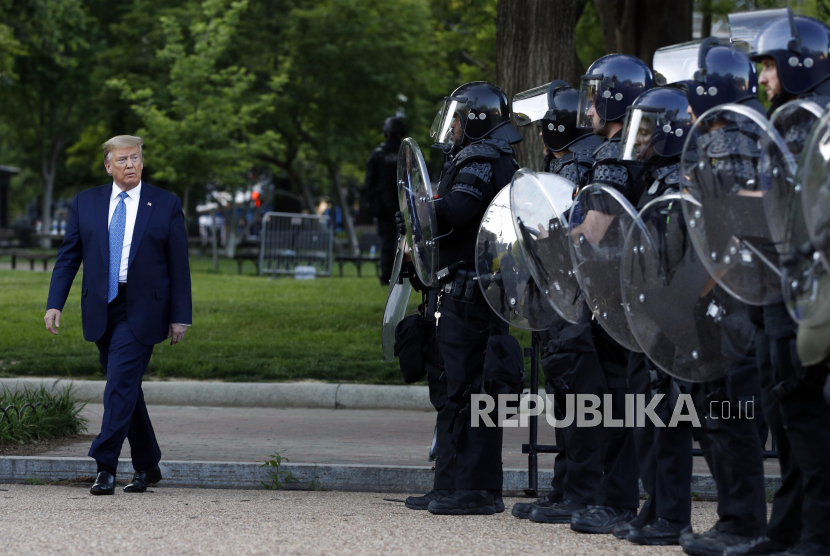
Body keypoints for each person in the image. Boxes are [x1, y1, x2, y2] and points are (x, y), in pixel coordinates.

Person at [652, 38, 770, 556]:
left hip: (728, 299)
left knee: (729, 416)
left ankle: (742, 525)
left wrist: (688, 299)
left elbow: (728, 228)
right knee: (721, 416)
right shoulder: (734, 130)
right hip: (731, 297)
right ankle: (737, 522)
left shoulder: (728, 137)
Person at [726, 12, 830, 556]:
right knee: (783, 415)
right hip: (774, 286)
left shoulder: (819, 119)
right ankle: (785, 531)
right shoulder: (790, 118)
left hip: (804, 289)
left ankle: (817, 535)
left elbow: (810, 208)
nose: (762, 77)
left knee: (804, 413)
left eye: (768, 64)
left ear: (797, 62)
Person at [43, 135, 192, 496]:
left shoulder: (166, 204)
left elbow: (179, 266)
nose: (130, 165)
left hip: (144, 308)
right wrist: (54, 302)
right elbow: (69, 256)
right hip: (101, 306)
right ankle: (148, 464)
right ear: (108, 165)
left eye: (136, 159)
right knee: (126, 389)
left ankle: (104, 463)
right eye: (122, 160)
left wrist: (180, 316)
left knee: (119, 384)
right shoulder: (86, 202)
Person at [401, 81, 522, 516]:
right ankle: (452, 485)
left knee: (473, 391)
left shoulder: (482, 159)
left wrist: (418, 208)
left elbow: (457, 211)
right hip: (469, 290)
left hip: (474, 294)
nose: (451, 129)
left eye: (456, 119)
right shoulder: (487, 156)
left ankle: (475, 490)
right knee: (458, 391)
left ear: (474, 120)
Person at [562, 53, 654, 535]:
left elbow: (595, 228)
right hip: (615, 293)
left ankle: (617, 501)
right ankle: (610, 497)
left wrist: (551, 238)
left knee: (620, 402)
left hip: (618, 296)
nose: (589, 106)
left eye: (596, 96)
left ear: (616, 98)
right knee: (617, 401)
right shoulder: (622, 150)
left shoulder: (619, 155)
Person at [509, 80, 605, 525]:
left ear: (557, 127)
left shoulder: (575, 168)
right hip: (567, 298)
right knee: (567, 398)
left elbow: (556, 231)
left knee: (578, 401)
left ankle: (578, 493)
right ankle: (565, 489)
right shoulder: (572, 162)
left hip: (573, 301)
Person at [613, 85, 695, 546]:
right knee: (645, 414)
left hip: (672, 315)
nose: (636, 139)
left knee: (669, 416)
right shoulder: (651, 179)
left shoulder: (679, 179)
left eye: (644, 130)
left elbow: (679, 255)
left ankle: (674, 514)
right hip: (646, 313)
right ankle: (655, 502)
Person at [365, 116, 406, 285]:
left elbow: (369, 183)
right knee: (406, 242)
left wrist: (374, 204)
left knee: (387, 244)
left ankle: (386, 277)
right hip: (404, 204)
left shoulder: (378, 153)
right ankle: (403, 276)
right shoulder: (406, 152)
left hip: (383, 206)